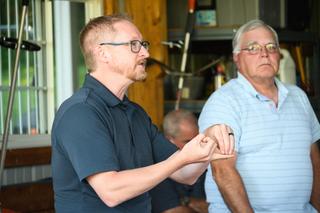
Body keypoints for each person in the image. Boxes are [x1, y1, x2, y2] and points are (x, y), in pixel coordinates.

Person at [51, 14, 233, 213]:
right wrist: (181, 159)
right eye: (134, 45)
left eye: (143, 44)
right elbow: (111, 191)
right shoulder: (80, 112)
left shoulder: (136, 113)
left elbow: (186, 174)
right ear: (103, 53)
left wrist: (209, 144)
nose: (145, 53)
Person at [198, 19, 320, 213]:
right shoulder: (223, 101)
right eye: (253, 48)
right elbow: (222, 171)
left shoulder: (299, 97)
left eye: (271, 47)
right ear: (237, 58)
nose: (264, 54)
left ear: (279, 55)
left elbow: (314, 159)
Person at [150, 109, 208, 213]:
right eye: (187, 141)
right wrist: (190, 203)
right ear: (169, 140)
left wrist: (185, 202)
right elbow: (172, 211)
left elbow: (209, 205)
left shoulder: (200, 158)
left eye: (196, 140)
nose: (195, 146)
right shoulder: (156, 165)